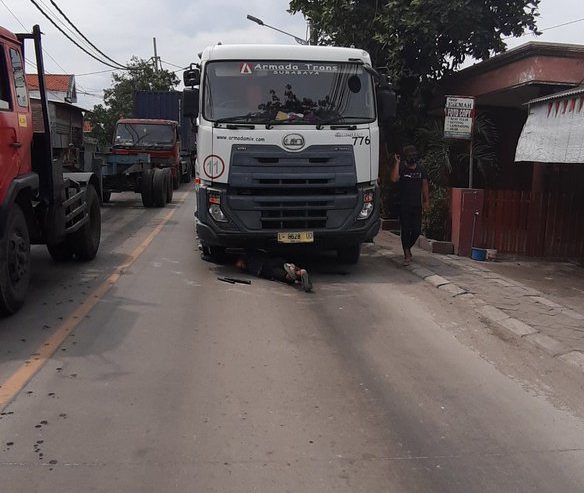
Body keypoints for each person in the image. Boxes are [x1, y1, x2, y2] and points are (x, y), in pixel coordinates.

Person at [390, 145, 430, 265]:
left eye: (414, 154)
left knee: (417, 230)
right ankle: (407, 252)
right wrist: (397, 163)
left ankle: (408, 247)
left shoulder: (421, 169)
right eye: (409, 154)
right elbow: (394, 179)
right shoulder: (401, 167)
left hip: (416, 205)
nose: (412, 156)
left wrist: (426, 201)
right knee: (406, 230)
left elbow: (425, 185)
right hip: (404, 205)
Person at [235, 251, 313, 292]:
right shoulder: (253, 253)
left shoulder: (249, 261)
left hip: (264, 269)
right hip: (273, 260)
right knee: (286, 265)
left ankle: (293, 276)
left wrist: (242, 266)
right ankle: (300, 271)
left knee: (284, 277)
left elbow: (239, 264)